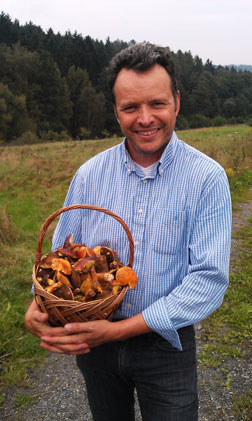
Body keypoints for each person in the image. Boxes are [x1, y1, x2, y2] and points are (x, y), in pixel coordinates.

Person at [25, 42, 232, 420]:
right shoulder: (90, 175)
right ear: (116, 111)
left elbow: (209, 279)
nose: (145, 118)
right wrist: (37, 305)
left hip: (166, 344)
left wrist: (118, 331)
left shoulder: (206, 179)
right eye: (130, 107)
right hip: (95, 345)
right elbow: (57, 258)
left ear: (177, 102)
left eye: (157, 104)